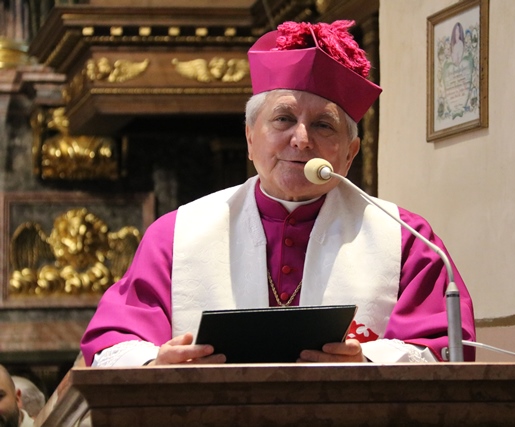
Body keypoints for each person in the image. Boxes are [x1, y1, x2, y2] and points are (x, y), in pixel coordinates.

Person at [80, 20, 476, 367]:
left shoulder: (406, 238)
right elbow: (113, 343)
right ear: (250, 139)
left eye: (323, 125)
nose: (301, 140)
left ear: (350, 153)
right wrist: (156, 362)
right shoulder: (175, 235)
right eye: (283, 119)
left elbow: (445, 349)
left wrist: (367, 361)